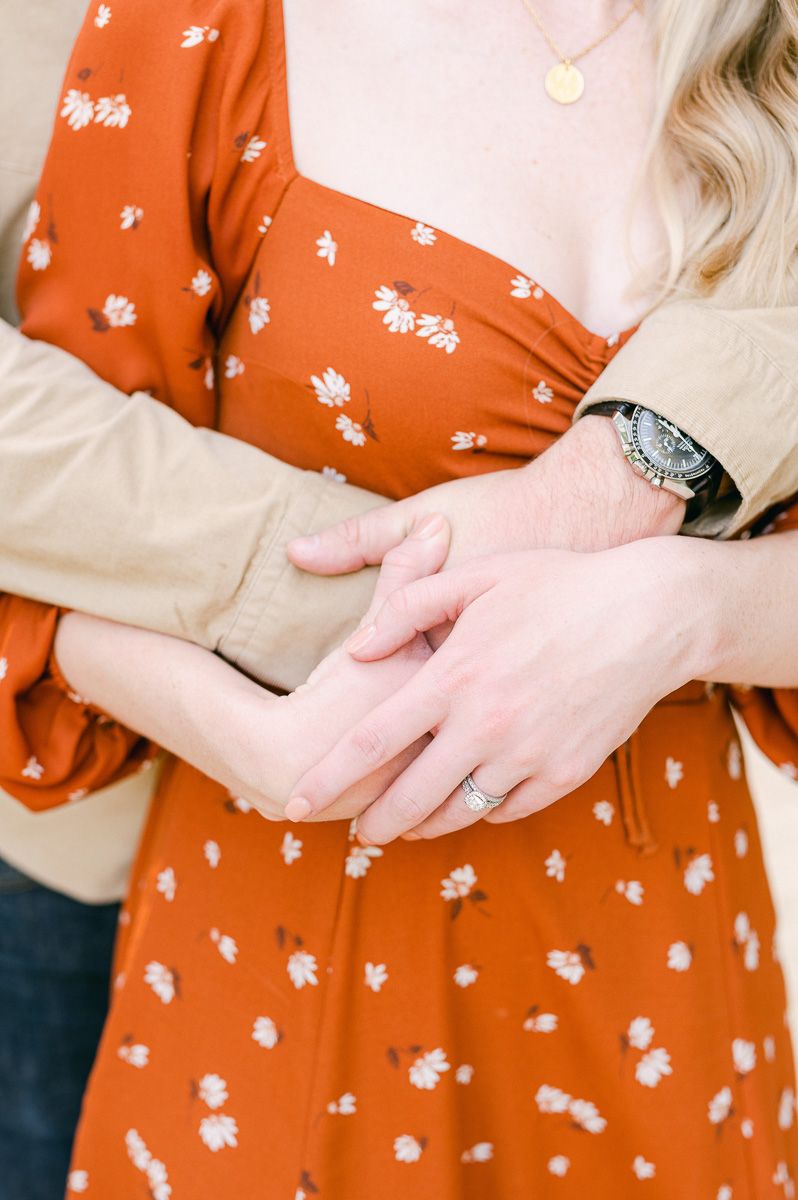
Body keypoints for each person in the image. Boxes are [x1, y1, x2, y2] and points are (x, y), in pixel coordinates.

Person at [3, 0, 798, 1196]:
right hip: (283, 916)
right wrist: (286, 672)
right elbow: (54, 533)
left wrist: (680, 605)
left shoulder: (768, 61)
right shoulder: (203, 33)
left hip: (663, 964)